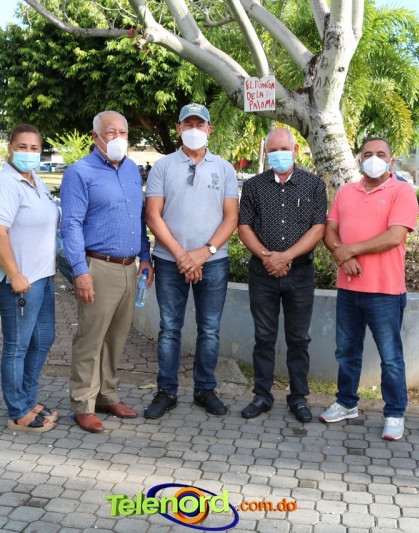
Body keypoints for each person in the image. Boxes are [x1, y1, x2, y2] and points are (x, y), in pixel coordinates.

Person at [144, 103, 239, 419]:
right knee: (169, 328)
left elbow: (231, 217)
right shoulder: (162, 167)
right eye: (188, 124)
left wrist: (204, 252)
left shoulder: (224, 168)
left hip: (213, 261)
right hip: (170, 261)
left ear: (209, 129)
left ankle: (205, 389)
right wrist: (182, 256)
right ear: (179, 128)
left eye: (200, 125)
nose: (194, 130)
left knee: (209, 329)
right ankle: (166, 391)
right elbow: (153, 215)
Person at [320, 137, 419, 441]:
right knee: (346, 350)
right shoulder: (346, 192)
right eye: (367, 154)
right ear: (359, 159)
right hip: (349, 288)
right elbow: (330, 230)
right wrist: (342, 254)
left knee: (390, 356)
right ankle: (346, 402)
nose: (373, 158)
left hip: (384, 291)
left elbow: (394, 236)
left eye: (380, 154)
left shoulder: (402, 191)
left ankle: (394, 413)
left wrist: (349, 250)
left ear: (391, 160)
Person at [61, 110, 152, 433]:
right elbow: (71, 224)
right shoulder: (80, 172)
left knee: (116, 339)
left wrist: (145, 257)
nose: (118, 138)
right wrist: (80, 271)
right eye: (110, 132)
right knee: (90, 339)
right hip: (98, 266)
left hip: (130, 267)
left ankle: (106, 395)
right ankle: (82, 403)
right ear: (95, 136)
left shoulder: (131, 170)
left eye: (123, 132)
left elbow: (138, 218)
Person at [237, 128, 327, 423]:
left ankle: (298, 398)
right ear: (266, 153)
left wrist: (286, 257)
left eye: (284, 149)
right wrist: (268, 257)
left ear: (296, 150)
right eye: (273, 150)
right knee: (263, 338)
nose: (278, 155)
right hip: (262, 274)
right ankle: (262, 396)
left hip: (300, 274)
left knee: (299, 339)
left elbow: (318, 228)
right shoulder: (253, 186)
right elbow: (244, 227)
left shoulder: (314, 185)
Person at [0, 124, 60, 433]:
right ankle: (18, 411)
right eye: (22, 147)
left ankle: (28, 399)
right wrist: (15, 274)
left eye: (34, 148)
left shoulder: (36, 181)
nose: (29, 153)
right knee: (18, 346)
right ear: (10, 149)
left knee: (43, 340)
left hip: (41, 278)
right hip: (17, 281)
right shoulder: (4, 184)